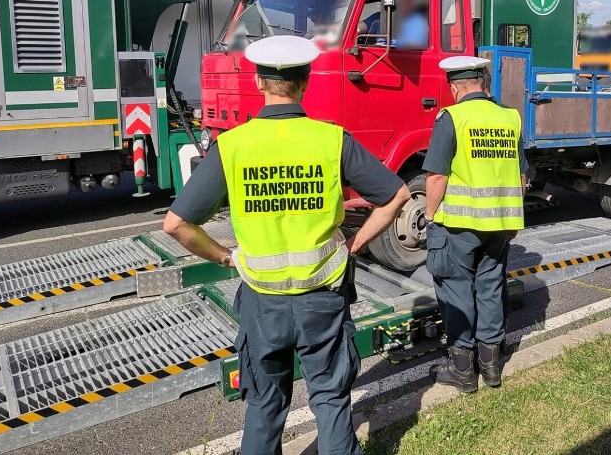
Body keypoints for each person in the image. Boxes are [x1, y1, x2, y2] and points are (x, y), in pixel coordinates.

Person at [163, 35, 410, 455]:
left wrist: (225, 256)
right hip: (323, 298)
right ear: (307, 81)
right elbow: (397, 196)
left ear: (259, 82)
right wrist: (354, 243)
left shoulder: (234, 146)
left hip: (263, 300)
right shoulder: (331, 140)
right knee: (330, 401)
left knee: (263, 404)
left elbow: (176, 225)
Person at [422, 56, 527, 393]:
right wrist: (514, 217)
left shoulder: (452, 116)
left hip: (458, 227)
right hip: (498, 225)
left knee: (456, 292)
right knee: (491, 289)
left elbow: (437, 175)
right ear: (482, 82)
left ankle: (463, 371)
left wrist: (428, 214)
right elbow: (522, 175)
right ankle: (492, 368)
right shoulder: (510, 117)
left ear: (456, 86)